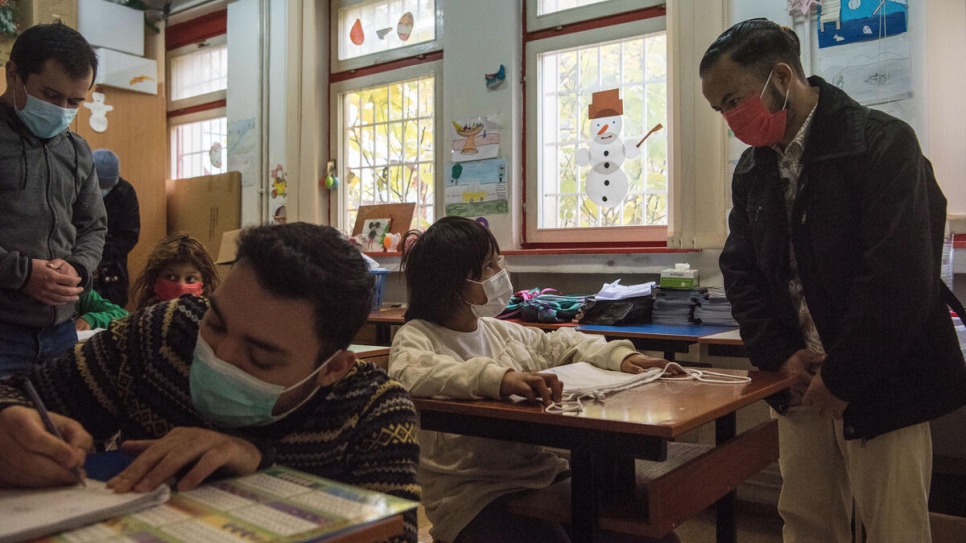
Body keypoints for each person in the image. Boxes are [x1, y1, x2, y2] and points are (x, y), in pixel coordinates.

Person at [700, 18, 966, 543]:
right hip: (799, 384)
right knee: (806, 523)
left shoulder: (882, 143)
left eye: (734, 100)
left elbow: (898, 278)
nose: (731, 119)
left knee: (894, 528)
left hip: (883, 384)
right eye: (720, 109)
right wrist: (779, 354)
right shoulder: (753, 170)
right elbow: (742, 269)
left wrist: (844, 378)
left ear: (781, 77)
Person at [0, 223, 421, 543]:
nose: (221, 356)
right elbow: (21, 393)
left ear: (333, 369)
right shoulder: (163, 333)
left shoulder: (374, 412)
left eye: (260, 356)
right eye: (215, 324)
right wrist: (9, 422)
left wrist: (263, 463)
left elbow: (392, 535)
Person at [388, 216, 678, 543]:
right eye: (488, 266)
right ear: (454, 281)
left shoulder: (499, 330)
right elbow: (412, 372)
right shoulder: (416, 336)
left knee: (649, 533)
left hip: (539, 474)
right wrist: (501, 379)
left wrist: (622, 357)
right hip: (471, 496)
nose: (500, 273)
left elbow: (561, 344)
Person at [0, 23, 107, 376]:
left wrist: (77, 268)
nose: (62, 110)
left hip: (60, 332)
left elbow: (94, 226)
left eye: (74, 102)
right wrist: (23, 273)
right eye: (50, 95)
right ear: (13, 73)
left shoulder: (76, 151)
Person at [92, 149, 140, 308]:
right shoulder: (77, 187)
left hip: (112, 268)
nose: (102, 190)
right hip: (80, 260)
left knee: (111, 311)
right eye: (99, 185)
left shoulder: (125, 192)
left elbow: (129, 235)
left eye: (107, 186)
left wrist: (102, 252)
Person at [130, 232, 220, 311]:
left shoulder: (211, 323)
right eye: (171, 277)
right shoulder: (142, 321)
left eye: (190, 279)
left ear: (204, 282)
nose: (181, 286)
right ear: (155, 278)